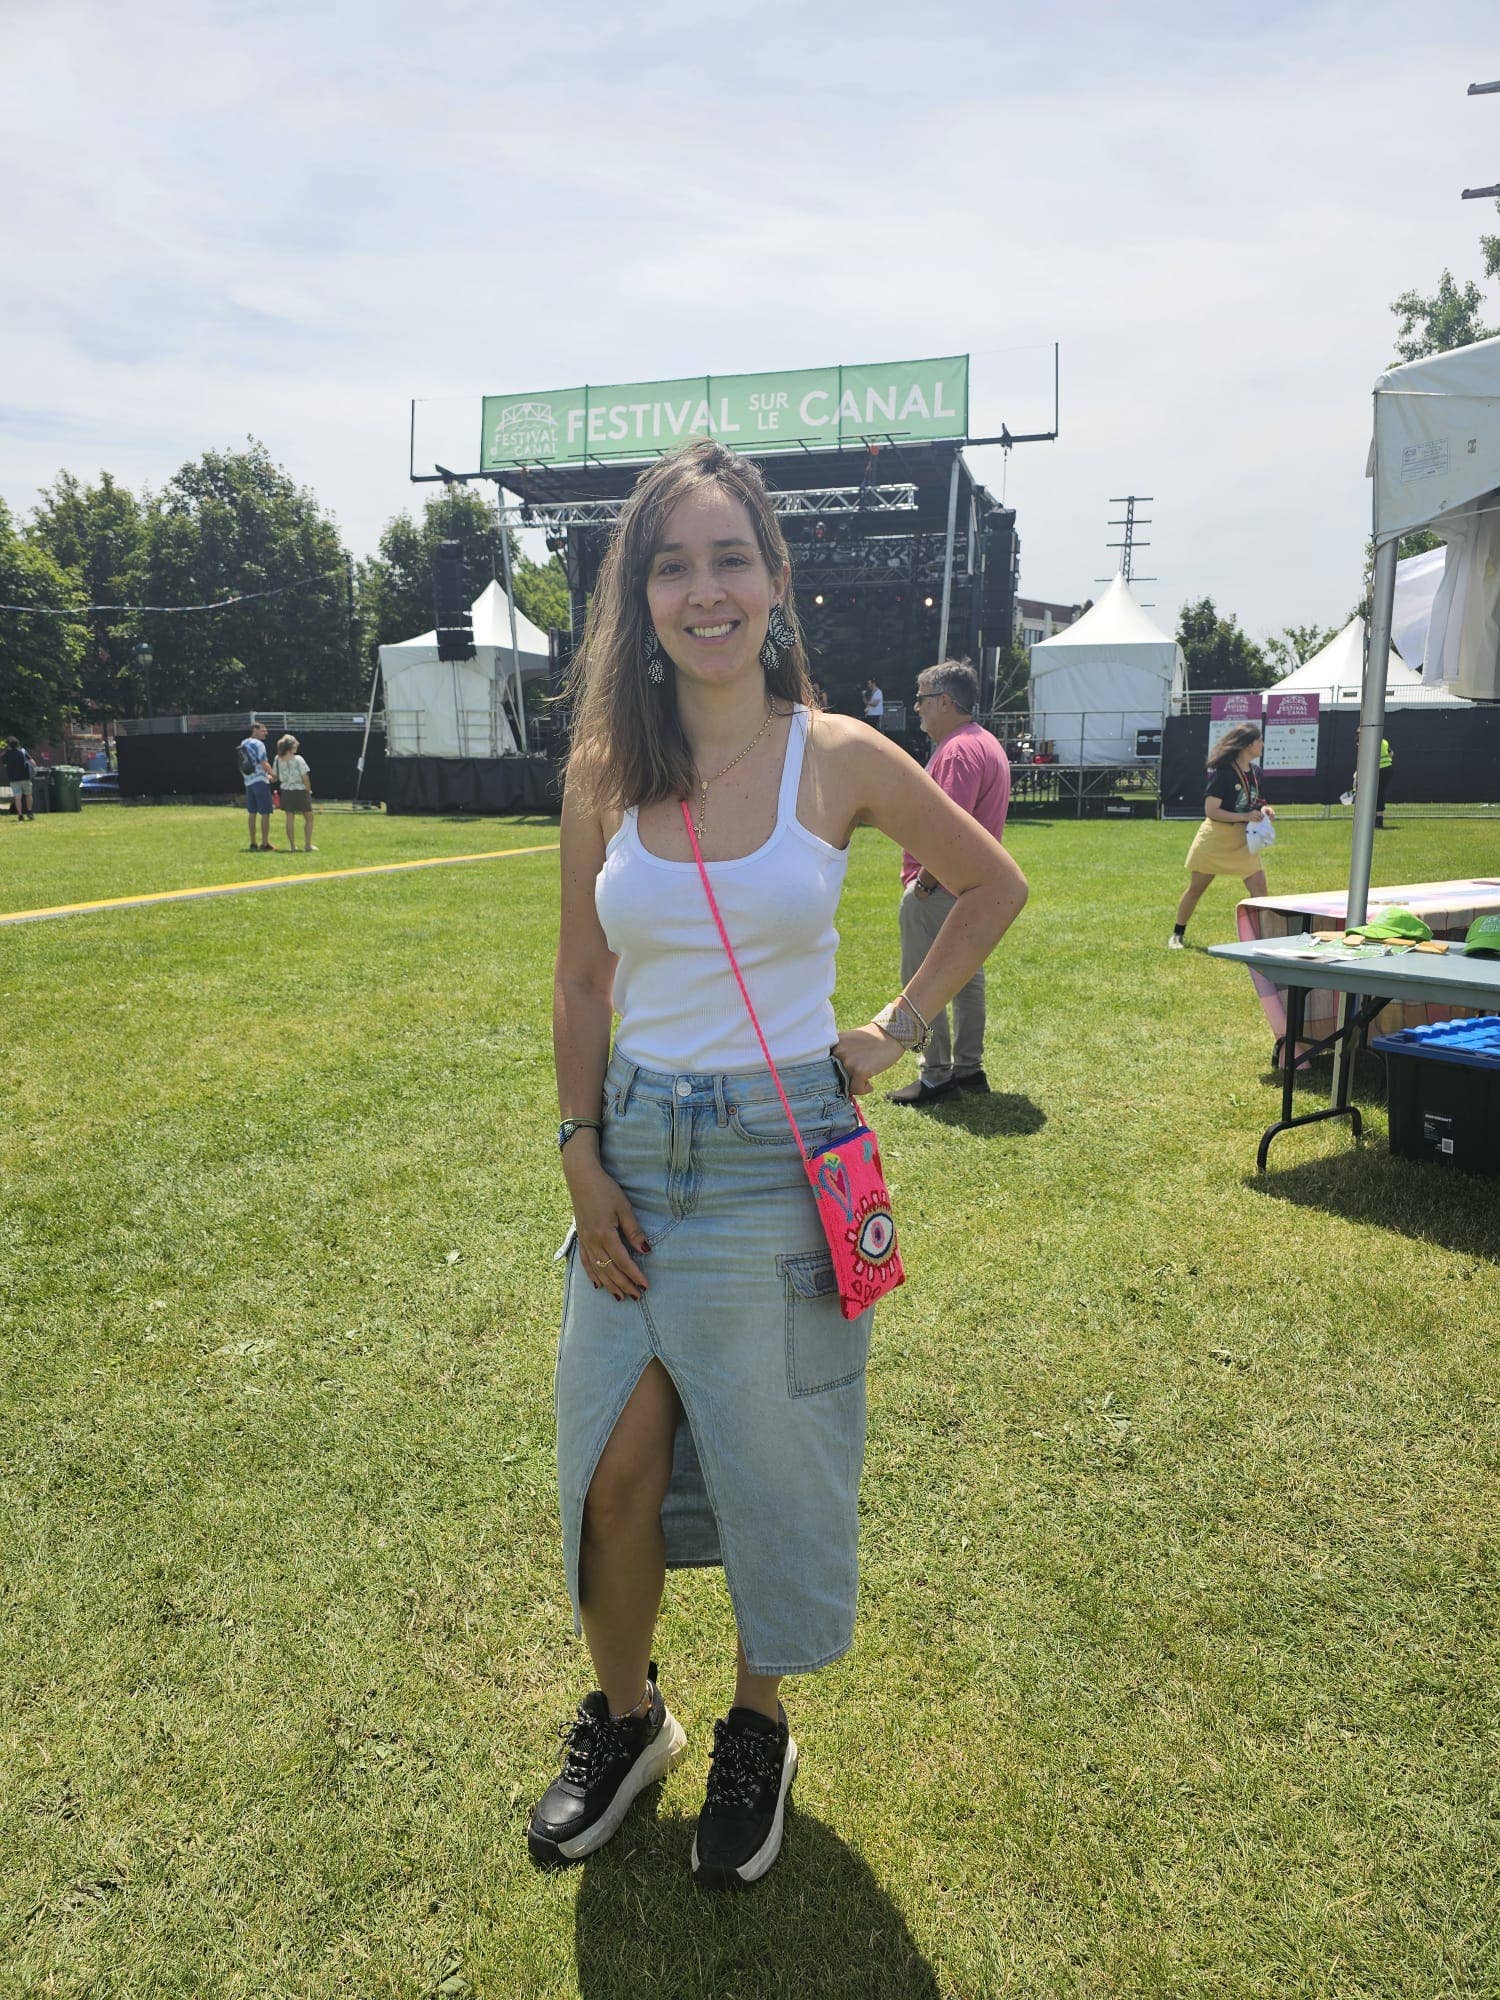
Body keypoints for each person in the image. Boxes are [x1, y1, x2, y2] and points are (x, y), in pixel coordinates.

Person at [532, 439, 1027, 1889]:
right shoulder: (602, 773)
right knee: (611, 1471)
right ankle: (629, 1725)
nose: (705, 591)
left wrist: (896, 1026)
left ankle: (759, 1726)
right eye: (671, 565)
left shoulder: (841, 757)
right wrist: (578, 1150)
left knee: (772, 1462)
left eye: (729, 558)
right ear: (640, 595)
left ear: (775, 579)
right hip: (633, 1151)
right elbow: (577, 982)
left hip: (777, 1157)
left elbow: (993, 882)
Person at [889, 661, 1012, 1106]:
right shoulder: (985, 743)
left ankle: (935, 1074)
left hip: (941, 888)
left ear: (944, 700)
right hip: (970, 887)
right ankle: (968, 1068)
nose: (918, 709)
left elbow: (948, 828)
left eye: (921, 699)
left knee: (923, 980)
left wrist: (924, 881)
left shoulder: (958, 750)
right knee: (966, 976)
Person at [1170, 723, 1274, 949]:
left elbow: (1255, 801)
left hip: (1242, 841)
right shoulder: (1224, 773)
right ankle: (1177, 934)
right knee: (1197, 888)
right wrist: (1246, 815)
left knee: (1260, 889)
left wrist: (1264, 810)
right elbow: (1211, 810)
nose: (1262, 745)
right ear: (1248, 745)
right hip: (1216, 839)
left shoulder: (1255, 772)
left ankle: (1266, 940)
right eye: (1260, 740)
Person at [273, 733, 317, 852]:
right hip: (300, 790)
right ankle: (307, 845)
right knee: (309, 818)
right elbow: (305, 777)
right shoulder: (298, 759)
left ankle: (292, 846)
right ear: (290, 746)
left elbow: (275, 777)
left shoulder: (277, 759)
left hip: (286, 791)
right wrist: (308, 790)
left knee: (289, 818)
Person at [237, 721, 275, 851]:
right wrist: (273, 775)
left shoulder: (243, 743)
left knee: (252, 813)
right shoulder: (259, 744)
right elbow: (264, 763)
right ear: (255, 730)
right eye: (263, 730)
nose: (266, 733)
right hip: (260, 781)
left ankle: (253, 842)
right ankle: (265, 843)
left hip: (248, 782)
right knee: (265, 813)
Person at [5, 737, 35, 820]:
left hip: (13, 779)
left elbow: (5, 765)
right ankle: (29, 812)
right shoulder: (23, 751)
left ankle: (20, 814)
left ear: (8, 745)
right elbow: (33, 762)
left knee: (17, 797)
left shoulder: (5, 754)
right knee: (28, 795)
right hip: (25, 777)